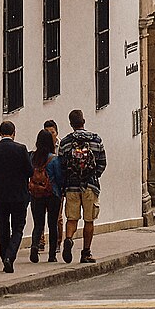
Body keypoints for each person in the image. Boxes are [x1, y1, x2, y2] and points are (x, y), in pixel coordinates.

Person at [58, 109, 107, 264]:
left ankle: (69, 239)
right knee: (89, 220)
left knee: (72, 218)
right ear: (83, 121)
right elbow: (102, 162)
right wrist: (93, 175)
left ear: (71, 123)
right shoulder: (96, 139)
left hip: (71, 186)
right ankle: (86, 252)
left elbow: (61, 165)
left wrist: (67, 181)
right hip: (90, 186)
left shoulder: (65, 142)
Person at [0, 120, 32, 274]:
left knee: (2, 226)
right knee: (18, 227)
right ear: (14, 133)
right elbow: (30, 172)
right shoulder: (21, 149)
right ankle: (10, 256)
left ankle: (4, 255)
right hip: (19, 195)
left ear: (0, 133)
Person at [28, 128, 63, 263]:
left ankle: (34, 246)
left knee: (38, 223)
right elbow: (59, 177)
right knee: (52, 224)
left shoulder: (32, 157)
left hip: (36, 193)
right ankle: (52, 255)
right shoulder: (54, 159)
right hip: (52, 193)